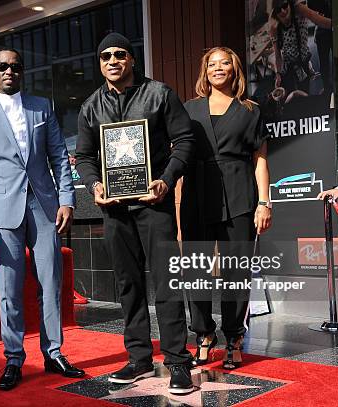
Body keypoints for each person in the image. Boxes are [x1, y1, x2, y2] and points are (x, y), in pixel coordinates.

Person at [75, 32, 195, 394]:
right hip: (114, 210)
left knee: (167, 283)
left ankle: (177, 362)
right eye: (105, 56)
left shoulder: (159, 94)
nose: (112, 61)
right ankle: (140, 359)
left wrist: (166, 179)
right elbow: (84, 157)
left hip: (153, 205)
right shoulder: (90, 107)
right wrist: (95, 184)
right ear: (100, 63)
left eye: (120, 55)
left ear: (131, 59)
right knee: (128, 285)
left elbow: (185, 141)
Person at [0, 47, 84, 391]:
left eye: (16, 66)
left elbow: (59, 156)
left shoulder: (41, 106)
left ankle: (54, 352)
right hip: (0, 211)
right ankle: (14, 358)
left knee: (52, 283)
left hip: (45, 207)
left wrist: (67, 198)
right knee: (9, 290)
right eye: (3, 66)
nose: (10, 71)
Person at [180, 47, 271, 370]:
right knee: (196, 272)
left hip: (240, 195)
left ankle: (233, 338)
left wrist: (264, 201)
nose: (218, 69)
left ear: (235, 71)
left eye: (225, 63)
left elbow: (260, 160)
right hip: (196, 195)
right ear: (205, 72)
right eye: (212, 64)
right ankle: (203, 336)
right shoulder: (188, 109)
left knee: (236, 273)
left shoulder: (250, 110)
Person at [268, 0, 331, 95]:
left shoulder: (298, 9)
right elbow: (277, 55)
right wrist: (278, 74)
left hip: (303, 64)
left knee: (305, 95)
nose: (283, 11)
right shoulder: (274, 27)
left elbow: (320, 20)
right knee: (289, 98)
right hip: (287, 67)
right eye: (278, 9)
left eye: (285, 6)